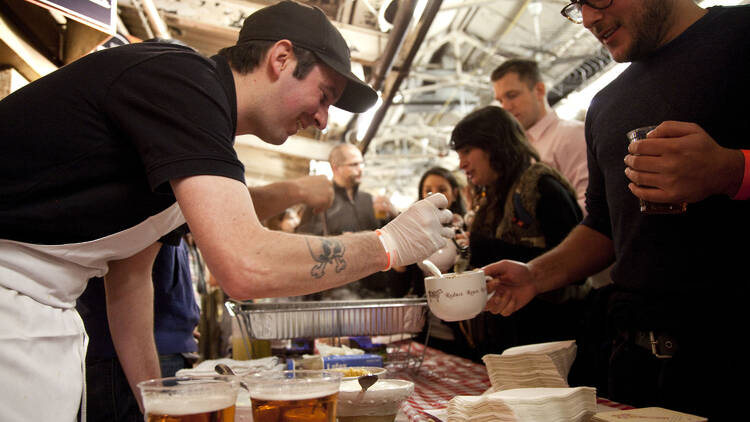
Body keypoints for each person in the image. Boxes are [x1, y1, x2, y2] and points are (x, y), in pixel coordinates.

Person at [0, 1, 454, 420]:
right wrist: (388, 244)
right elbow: (245, 264)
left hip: (40, 311)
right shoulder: (184, 80)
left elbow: (131, 278)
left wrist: (155, 406)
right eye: (324, 95)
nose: (323, 120)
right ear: (281, 58)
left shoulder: (196, 139)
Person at [484, 1, 750, 419]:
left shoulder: (741, 34)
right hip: (634, 364)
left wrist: (734, 171)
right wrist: (535, 275)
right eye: (577, 6)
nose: (588, 18)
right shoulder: (606, 105)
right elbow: (604, 227)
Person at [77, 175, 335, 422]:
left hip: (159, 345)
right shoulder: (165, 147)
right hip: (130, 354)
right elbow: (217, 209)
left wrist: (183, 321)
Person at [450, 106, 585, 363]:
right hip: (510, 344)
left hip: (551, 344)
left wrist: (485, 247)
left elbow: (575, 267)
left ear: (494, 145)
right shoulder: (492, 196)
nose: (461, 163)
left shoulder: (544, 187)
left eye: (467, 151)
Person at [296, 143, 393, 299]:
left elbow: (387, 240)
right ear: (336, 168)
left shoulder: (369, 200)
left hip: (376, 291)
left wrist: (392, 216)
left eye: (362, 163)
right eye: (354, 164)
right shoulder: (320, 200)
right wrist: (338, 241)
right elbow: (303, 243)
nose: (360, 168)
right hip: (338, 293)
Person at [491, 58, 588, 213]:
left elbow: (589, 205)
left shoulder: (571, 135)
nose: (506, 107)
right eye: (501, 100)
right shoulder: (519, 150)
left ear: (539, 90)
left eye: (512, 95)